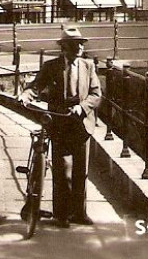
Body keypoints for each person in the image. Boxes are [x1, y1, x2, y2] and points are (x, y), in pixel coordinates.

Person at [19, 25, 102, 228]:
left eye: (81, 44)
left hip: (82, 125)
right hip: (60, 123)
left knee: (80, 172)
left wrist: (82, 108)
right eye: (75, 45)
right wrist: (25, 95)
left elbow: (96, 94)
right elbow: (36, 87)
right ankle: (62, 215)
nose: (79, 48)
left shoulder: (88, 66)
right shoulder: (51, 67)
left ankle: (79, 214)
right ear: (64, 47)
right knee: (63, 171)